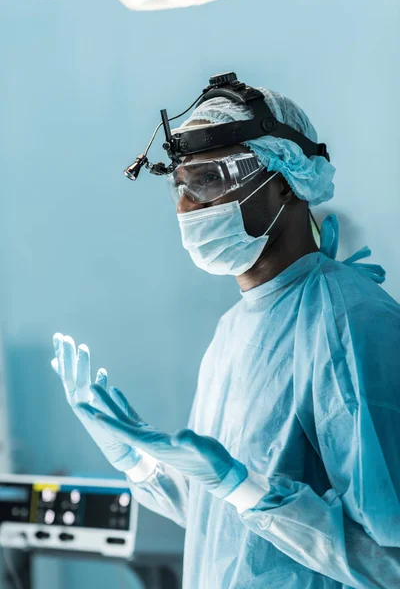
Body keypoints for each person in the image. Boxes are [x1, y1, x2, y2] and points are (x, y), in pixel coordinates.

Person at [52, 84, 400, 588]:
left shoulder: (348, 321)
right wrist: (142, 466)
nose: (188, 205)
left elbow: (391, 560)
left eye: (209, 179)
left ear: (286, 180)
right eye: (179, 184)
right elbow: (225, 522)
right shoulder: (233, 332)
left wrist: (247, 490)